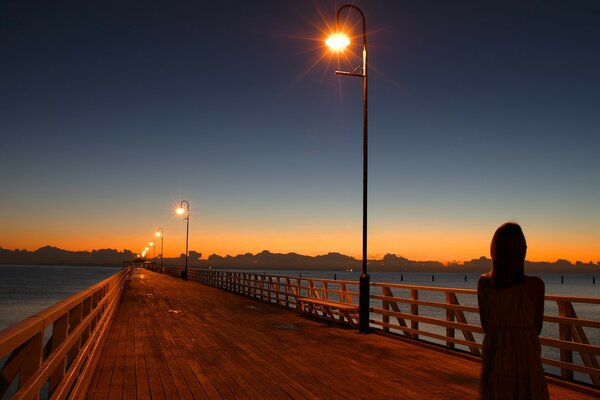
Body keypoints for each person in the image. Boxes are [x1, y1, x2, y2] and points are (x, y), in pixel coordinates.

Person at [477, 222, 549, 399]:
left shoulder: (484, 284)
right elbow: (536, 328)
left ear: (494, 250)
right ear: (522, 251)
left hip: (495, 360)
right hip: (526, 361)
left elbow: (486, 326)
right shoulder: (535, 286)